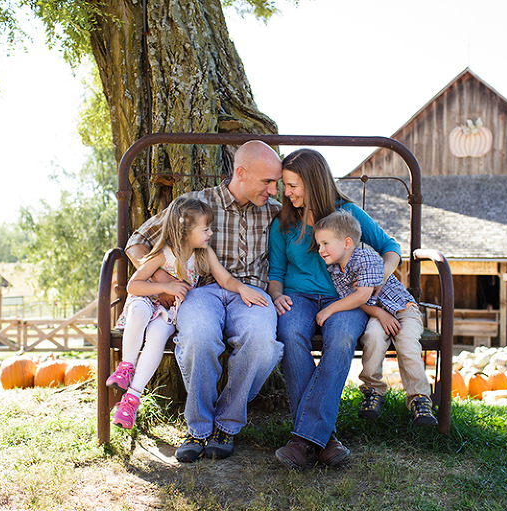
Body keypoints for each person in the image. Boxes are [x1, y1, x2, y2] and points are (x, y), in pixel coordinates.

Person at [124, 140, 284, 462]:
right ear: (241, 172)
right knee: (197, 336)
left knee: (262, 343)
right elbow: (137, 242)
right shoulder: (197, 205)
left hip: (250, 293)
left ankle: (226, 423)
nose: (274, 190)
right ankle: (197, 428)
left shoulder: (275, 212)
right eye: (267, 181)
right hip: (201, 292)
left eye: (276, 182)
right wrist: (164, 282)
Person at [268, 148, 402, 470]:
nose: (286, 193)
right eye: (284, 185)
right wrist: (276, 296)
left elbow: (391, 247)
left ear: (313, 182)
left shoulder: (347, 215)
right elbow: (276, 273)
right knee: (288, 332)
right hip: (297, 297)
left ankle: (302, 441)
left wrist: (374, 282)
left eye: (292, 185)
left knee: (341, 338)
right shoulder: (283, 223)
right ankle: (324, 439)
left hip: (345, 298)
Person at [106, 197, 269, 429]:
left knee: (158, 337)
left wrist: (242, 288)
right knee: (140, 312)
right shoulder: (162, 254)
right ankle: (126, 367)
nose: (210, 233)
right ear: (185, 231)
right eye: (205, 229)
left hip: (167, 312)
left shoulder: (202, 254)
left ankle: (132, 398)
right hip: (146, 301)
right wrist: (165, 286)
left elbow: (225, 279)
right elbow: (134, 286)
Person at [313, 210, 438, 428]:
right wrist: (379, 314)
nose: (320, 250)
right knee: (372, 337)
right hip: (377, 314)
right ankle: (372, 391)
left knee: (407, 342)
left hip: (403, 309)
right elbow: (356, 300)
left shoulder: (366, 258)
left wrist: (329, 309)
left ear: (347, 242)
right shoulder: (335, 270)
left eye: (325, 243)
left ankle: (419, 398)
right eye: (319, 244)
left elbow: (362, 294)